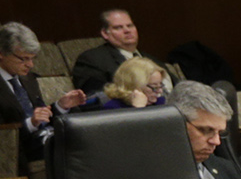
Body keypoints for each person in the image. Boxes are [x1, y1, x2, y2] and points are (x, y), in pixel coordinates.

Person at [0, 23, 84, 160]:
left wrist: (60, 107)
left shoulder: (29, 79)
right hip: (17, 151)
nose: (30, 65)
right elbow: (4, 136)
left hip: (44, 138)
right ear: (2, 53)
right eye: (24, 59)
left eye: (32, 58)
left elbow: (41, 118)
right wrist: (31, 123)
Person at [70, 9, 141, 94]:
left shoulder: (150, 59)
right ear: (105, 33)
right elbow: (94, 95)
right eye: (118, 27)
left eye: (130, 26)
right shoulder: (92, 59)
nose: (127, 30)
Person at [73, 56, 166, 111]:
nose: (159, 92)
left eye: (160, 86)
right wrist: (138, 110)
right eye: (154, 87)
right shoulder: (110, 107)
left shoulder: (161, 103)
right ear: (133, 86)